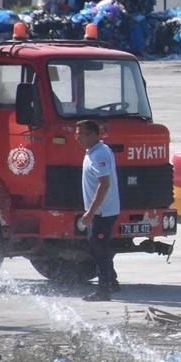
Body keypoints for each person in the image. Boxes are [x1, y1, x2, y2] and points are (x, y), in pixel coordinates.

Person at [76, 119, 121, 301]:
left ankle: (104, 291)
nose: (76, 137)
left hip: (103, 213)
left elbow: (104, 185)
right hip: (100, 212)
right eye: (76, 133)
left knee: (99, 250)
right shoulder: (93, 151)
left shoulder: (99, 154)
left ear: (93, 135)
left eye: (80, 134)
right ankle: (112, 282)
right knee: (98, 248)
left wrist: (91, 212)